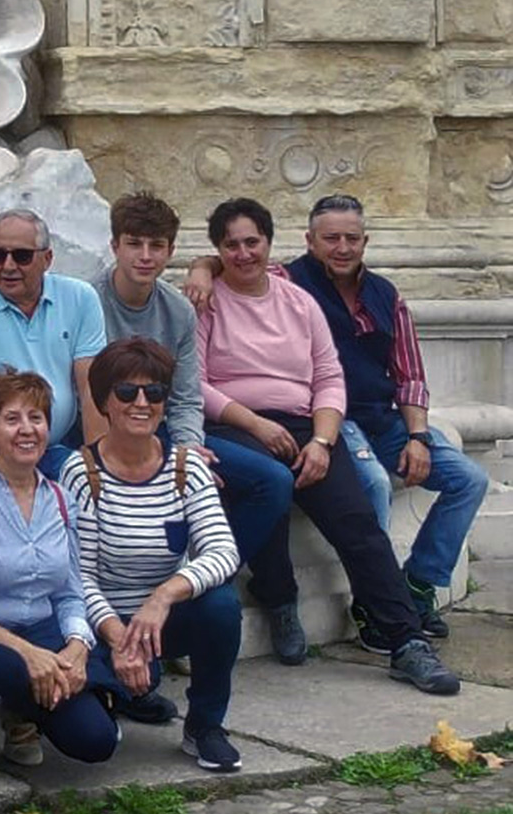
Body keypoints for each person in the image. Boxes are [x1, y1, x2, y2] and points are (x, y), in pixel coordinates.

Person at [191, 194, 487, 647]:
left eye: (352, 238)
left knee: (368, 515)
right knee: (283, 481)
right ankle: (281, 600)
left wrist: (339, 441)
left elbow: (349, 375)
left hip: (340, 421)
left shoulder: (351, 297)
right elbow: (195, 380)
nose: (342, 247)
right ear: (309, 242)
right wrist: (199, 268)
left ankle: (404, 628)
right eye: (331, 238)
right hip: (242, 423)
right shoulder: (231, 294)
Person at [58, 339, 244, 772]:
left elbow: (222, 551)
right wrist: (120, 638)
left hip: (158, 623)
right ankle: (121, 693)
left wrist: (162, 597)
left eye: (154, 392)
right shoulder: (80, 472)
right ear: (105, 401)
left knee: (221, 605)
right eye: (127, 392)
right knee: (92, 721)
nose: (142, 402)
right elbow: (78, 576)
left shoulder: (187, 467)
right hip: (101, 624)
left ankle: (205, 726)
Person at [0, 371, 119, 769]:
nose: (27, 430)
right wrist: (27, 653)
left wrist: (77, 648)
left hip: (41, 633)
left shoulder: (61, 501)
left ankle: (22, 712)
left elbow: (69, 592)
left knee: (96, 740)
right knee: (15, 667)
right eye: (11, 419)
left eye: (37, 418)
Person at [0, 210, 108, 483]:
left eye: (21, 256)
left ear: (47, 259)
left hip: (52, 445)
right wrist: (8, 482)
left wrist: (96, 472)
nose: (7, 266)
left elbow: (92, 391)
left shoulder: (80, 298)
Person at [94, 193, 205, 454]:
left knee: (271, 478)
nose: (145, 256)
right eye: (134, 244)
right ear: (115, 247)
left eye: (156, 246)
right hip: (97, 429)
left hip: (157, 425)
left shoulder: (180, 311)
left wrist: (188, 447)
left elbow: (185, 398)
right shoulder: (87, 301)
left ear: (170, 252)